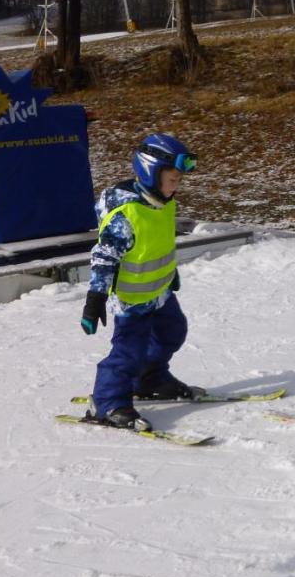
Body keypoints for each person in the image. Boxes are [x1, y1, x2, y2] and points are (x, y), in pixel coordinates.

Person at [80, 133, 203, 432]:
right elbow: (103, 258)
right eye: (172, 179)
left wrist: (170, 274)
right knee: (128, 352)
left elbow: (157, 243)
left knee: (173, 331)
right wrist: (95, 299)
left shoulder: (162, 203)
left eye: (178, 180)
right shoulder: (127, 215)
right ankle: (106, 401)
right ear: (151, 173)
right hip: (132, 299)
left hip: (159, 291)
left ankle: (150, 378)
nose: (177, 185)